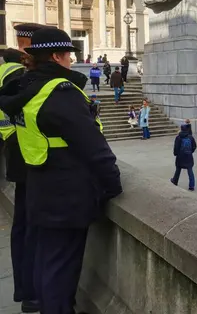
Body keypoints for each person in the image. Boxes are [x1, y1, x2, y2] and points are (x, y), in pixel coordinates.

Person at [0, 28, 122, 313]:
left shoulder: (24, 87)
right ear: (57, 56)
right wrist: (113, 183)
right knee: (62, 270)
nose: (71, 61)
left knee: (47, 261)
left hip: (40, 186)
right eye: (69, 55)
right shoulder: (59, 92)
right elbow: (92, 146)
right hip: (67, 194)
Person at [0, 45, 35, 312]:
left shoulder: (4, 71)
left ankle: (26, 289)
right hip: (21, 150)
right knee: (28, 226)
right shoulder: (16, 75)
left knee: (22, 226)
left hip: (12, 147)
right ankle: (28, 291)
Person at [170, 122, 197, 191]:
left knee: (178, 169)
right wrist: (191, 152)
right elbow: (194, 146)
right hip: (188, 156)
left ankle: (175, 181)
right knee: (190, 171)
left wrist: (175, 154)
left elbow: (176, 147)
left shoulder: (178, 137)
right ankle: (191, 185)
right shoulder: (190, 137)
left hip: (180, 156)